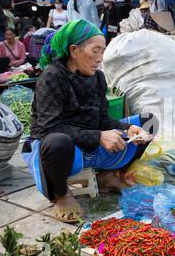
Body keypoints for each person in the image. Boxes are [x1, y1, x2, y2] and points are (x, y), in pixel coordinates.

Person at [24, 20, 157, 223]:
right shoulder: (52, 77)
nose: (100, 59)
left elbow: (102, 119)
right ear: (74, 50)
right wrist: (98, 136)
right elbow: (49, 127)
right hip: (65, 149)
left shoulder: (98, 78)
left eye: (102, 51)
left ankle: (108, 175)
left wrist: (127, 128)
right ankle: (61, 195)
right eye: (95, 51)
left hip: (93, 143)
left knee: (148, 123)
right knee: (57, 142)